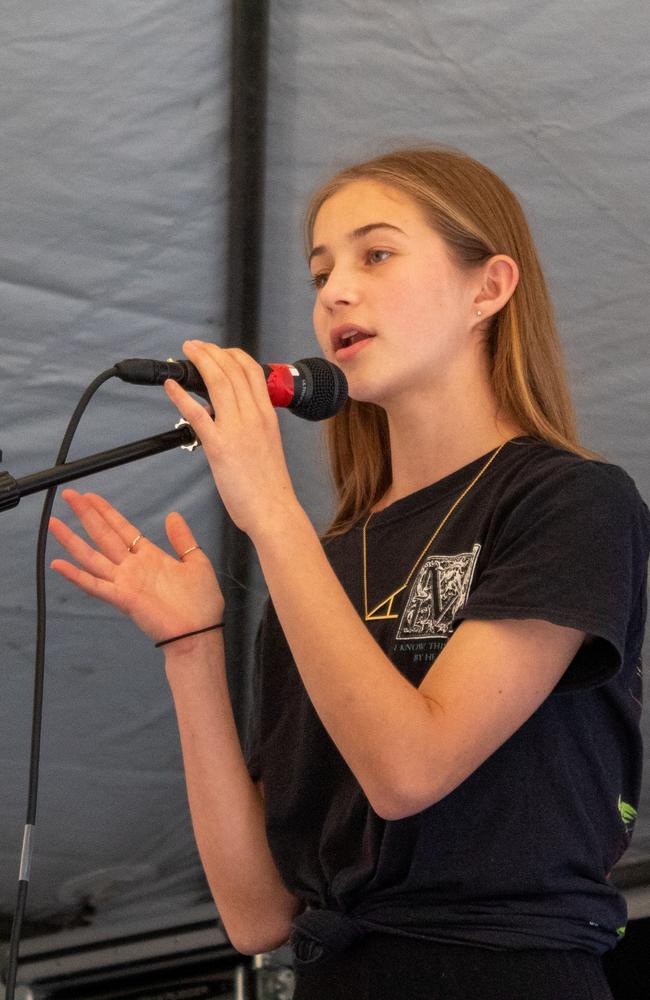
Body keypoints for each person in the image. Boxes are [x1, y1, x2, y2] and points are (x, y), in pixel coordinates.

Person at [49, 146, 650, 1000]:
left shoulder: (570, 501)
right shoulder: (326, 564)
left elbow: (408, 771)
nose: (333, 292)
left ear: (490, 287)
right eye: (320, 270)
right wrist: (190, 646)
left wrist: (271, 511)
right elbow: (258, 915)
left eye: (376, 254)